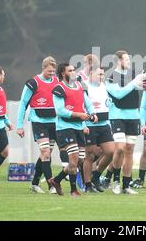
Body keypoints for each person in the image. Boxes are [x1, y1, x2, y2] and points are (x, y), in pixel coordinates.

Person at [48, 63, 98, 197]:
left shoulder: (79, 86)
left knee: (79, 160)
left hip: (79, 126)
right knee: (74, 157)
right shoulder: (59, 88)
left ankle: (56, 180)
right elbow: (59, 111)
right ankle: (73, 190)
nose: (74, 72)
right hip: (65, 127)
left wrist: (93, 113)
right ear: (63, 74)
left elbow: (86, 102)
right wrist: (79, 115)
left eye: (74, 70)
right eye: (70, 70)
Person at [16, 56, 58, 194]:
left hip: (53, 122)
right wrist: (19, 125)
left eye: (53, 72)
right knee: (45, 152)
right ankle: (52, 186)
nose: (52, 74)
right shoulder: (33, 83)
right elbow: (23, 103)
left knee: (46, 154)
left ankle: (34, 183)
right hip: (39, 122)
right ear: (43, 68)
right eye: (49, 71)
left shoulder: (57, 81)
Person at [105, 51, 144, 195]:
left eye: (129, 59)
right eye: (126, 59)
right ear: (118, 60)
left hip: (133, 115)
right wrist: (134, 83)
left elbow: (143, 88)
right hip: (117, 116)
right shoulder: (110, 77)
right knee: (120, 148)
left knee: (129, 151)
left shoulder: (134, 74)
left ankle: (126, 186)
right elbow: (119, 94)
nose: (128, 61)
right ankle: (115, 181)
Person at [82, 67, 115, 193]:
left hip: (104, 125)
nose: (102, 76)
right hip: (90, 125)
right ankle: (88, 185)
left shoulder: (105, 86)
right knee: (89, 155)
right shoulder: (85, 86)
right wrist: (84, 124)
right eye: (99, 74)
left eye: (103, 74)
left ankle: (96, 177)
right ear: (91, 73)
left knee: (111, 151)